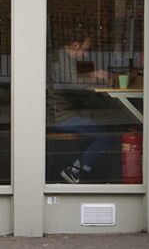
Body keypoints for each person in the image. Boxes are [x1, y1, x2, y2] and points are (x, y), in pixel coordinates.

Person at [49, 31, 114, 184]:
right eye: (85, 49)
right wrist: (94, 76)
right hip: (60, 116)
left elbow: (72, 80)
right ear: (75, 45)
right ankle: (74, 170)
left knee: (100, 130)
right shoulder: (61, 59)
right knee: (106, 136)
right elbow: (74, 84)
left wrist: (91, 75)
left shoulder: (62, 58)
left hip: (61, 113)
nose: (85, 54)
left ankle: (78, 169)